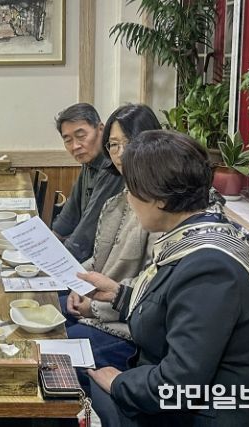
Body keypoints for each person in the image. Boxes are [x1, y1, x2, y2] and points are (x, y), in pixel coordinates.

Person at [81, 130, 249, 426]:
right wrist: (121, 296)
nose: (128, 198)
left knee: (65, 387)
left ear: (160, 199)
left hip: (201, 415)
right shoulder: (192, 236)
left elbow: (179, 387)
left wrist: (119, 384)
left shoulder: (210, 266)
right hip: (173, 401)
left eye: (131, 189)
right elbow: (174, 311)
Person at [63, 104, 162, 373]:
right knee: (39, 318)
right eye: (114, 145)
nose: (120, 154)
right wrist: (78, 286)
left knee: (52, 355)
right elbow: (98, 257)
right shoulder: (118, 201)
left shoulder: (160, 206)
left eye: (129, 143)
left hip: (129, 329)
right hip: (100, 303)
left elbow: (152, 287)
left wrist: (94, 307)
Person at [51, 103, 124, 263]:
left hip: (102, 260)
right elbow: (68, 216)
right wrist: (44, 245)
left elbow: (87, 232)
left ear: (101, 129)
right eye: (68, 140)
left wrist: (55, 261)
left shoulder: (112, 166)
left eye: (81, 136)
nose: (75, 146)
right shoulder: (88, 162)